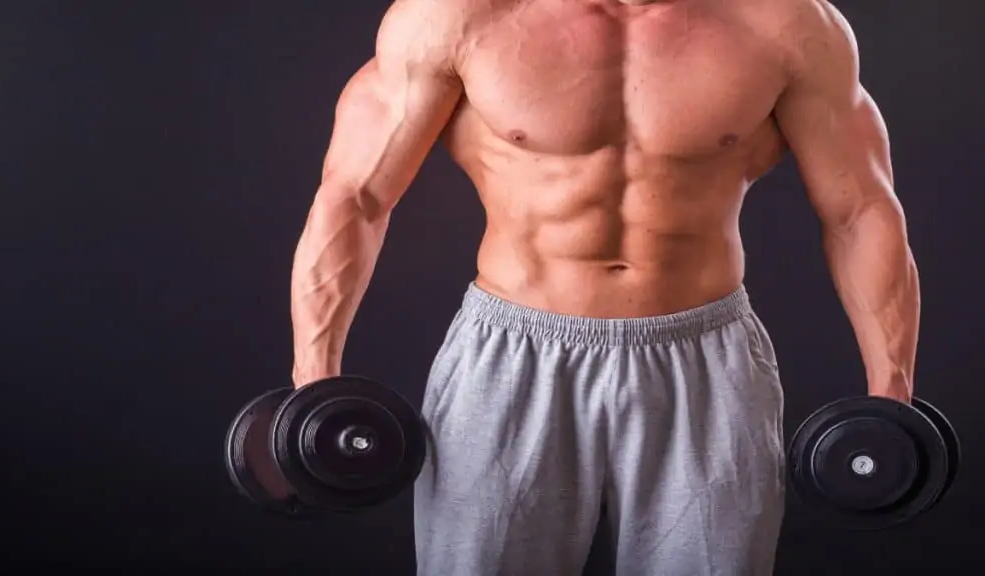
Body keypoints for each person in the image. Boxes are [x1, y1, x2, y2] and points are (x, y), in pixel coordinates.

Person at [288, 0, 920, 573]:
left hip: (705, 358)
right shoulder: (458, 18)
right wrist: (313, 381)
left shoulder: (785, 23)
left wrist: (892, 391)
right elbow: (357, 198)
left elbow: (861, 209)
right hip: (511, 354)